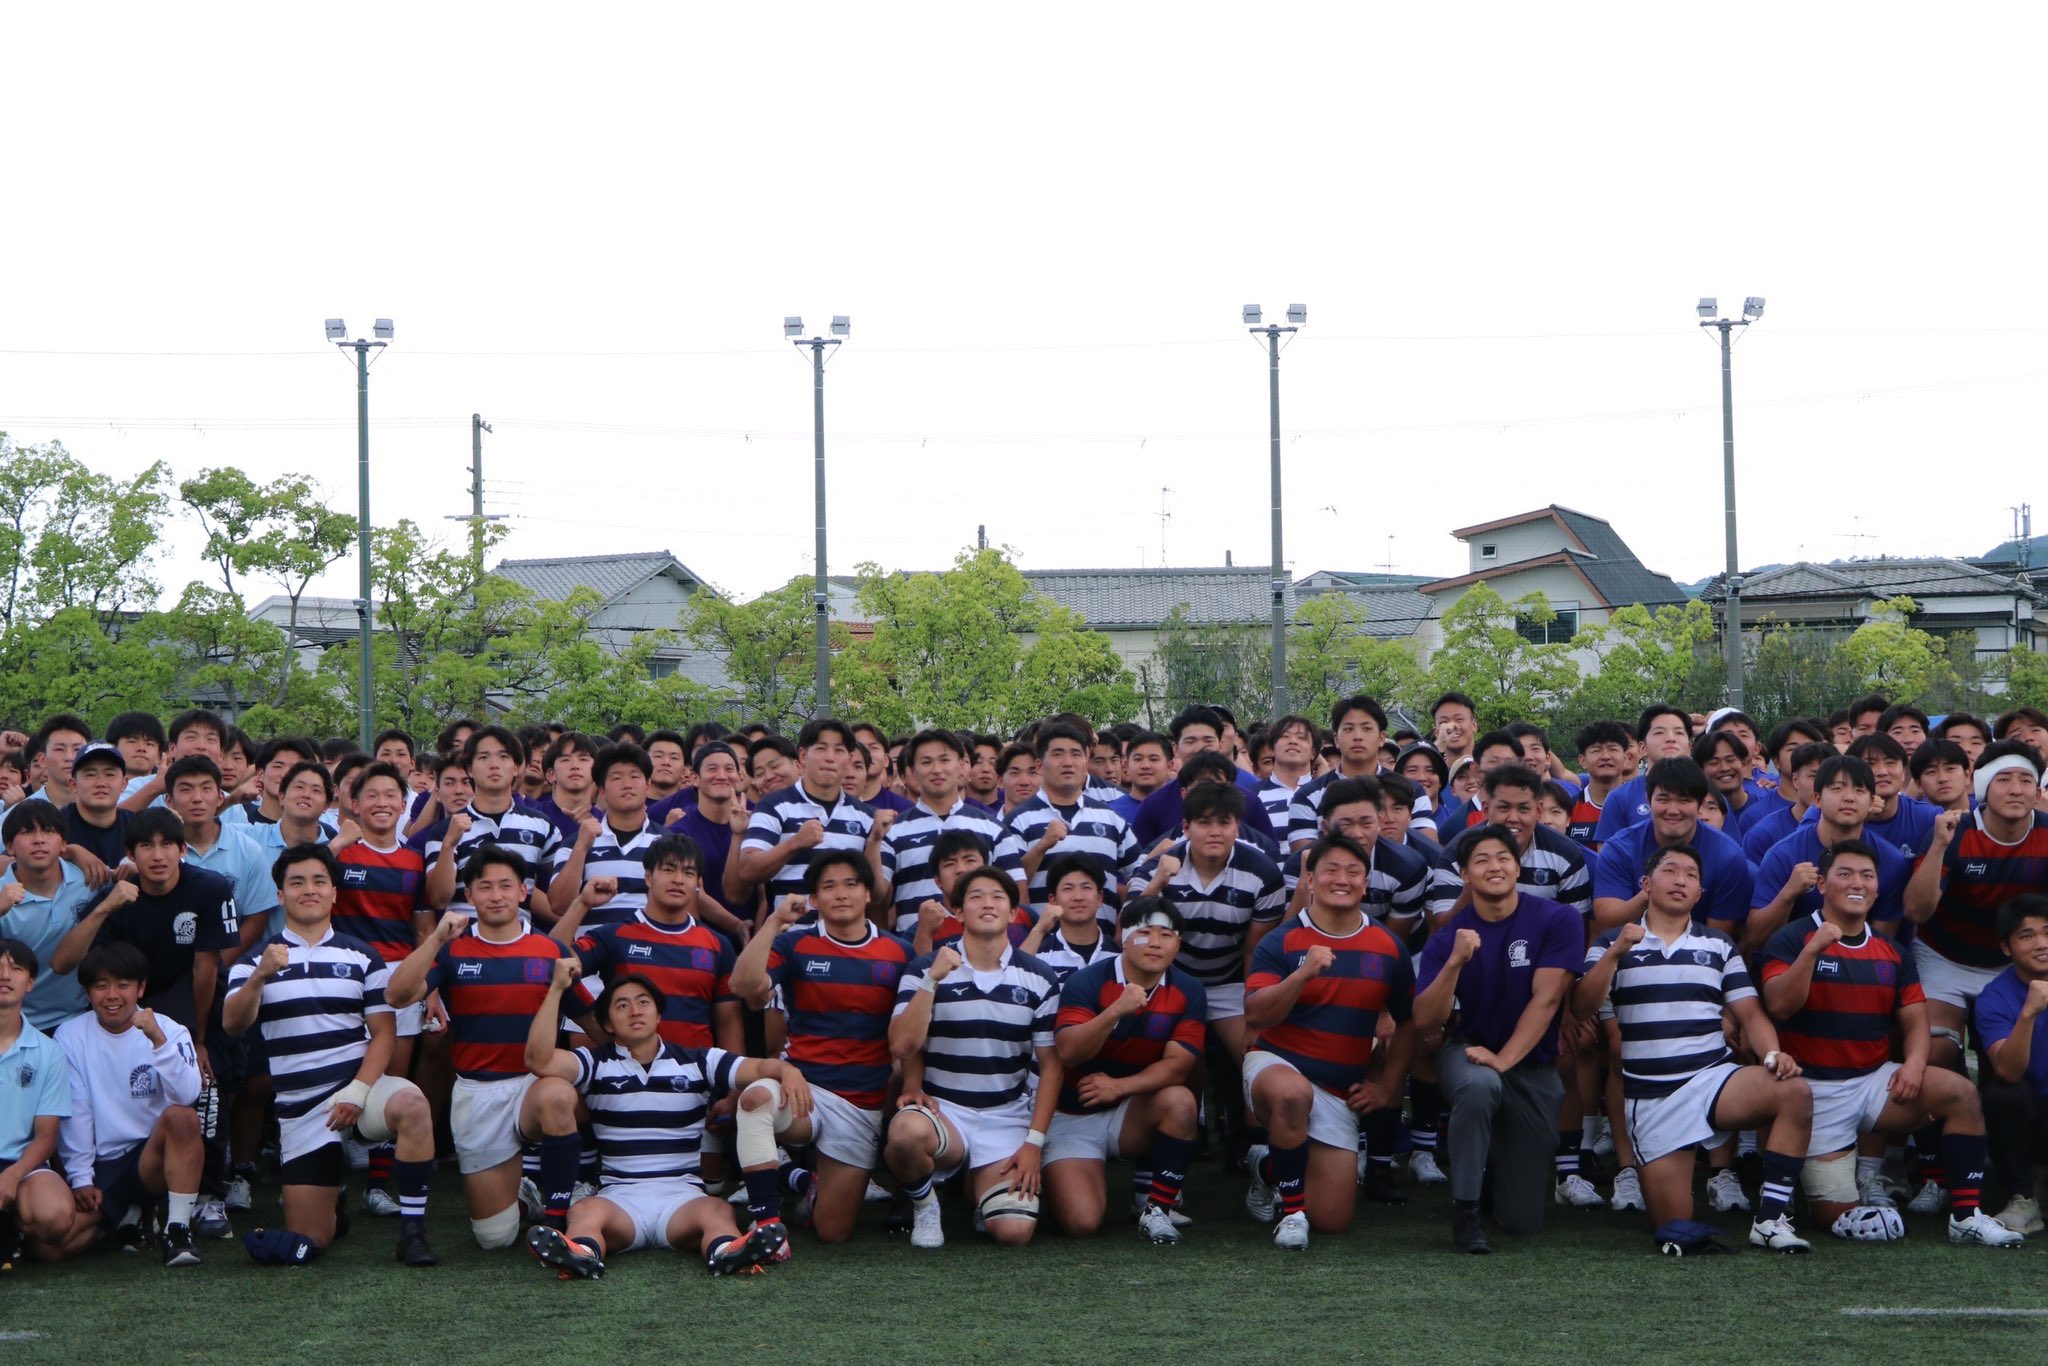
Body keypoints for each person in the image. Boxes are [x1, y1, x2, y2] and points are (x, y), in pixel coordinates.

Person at [1760, 840, 2021, 1246]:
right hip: (1810, 1093)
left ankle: (1966, 1216)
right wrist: (1812, 951)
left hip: (1872, 1083)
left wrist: (1914, 1065)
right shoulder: (1791, 939)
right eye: (1845, 874)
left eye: (1867, 876)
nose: (1857, 883)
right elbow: (1780, 1005)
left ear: (1877, 887)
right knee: (1835, 1217)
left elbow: (1916, 1020)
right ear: (1822, 885)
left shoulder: (1893, 952)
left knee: (1960, 1093)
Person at [1574, 843, 1816, 1253]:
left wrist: (1772, 1054)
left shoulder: (1719, 944)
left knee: (1793, 1090)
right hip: (1653, 1097)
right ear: (1646, 884)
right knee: (1674, 1227)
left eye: (1691, 875)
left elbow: (1750, 1013)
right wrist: (1614, 954)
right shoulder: (1613, 941)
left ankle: (1770, 1220)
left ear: (1700, 892)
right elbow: (1582, 1007)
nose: (1681, 880)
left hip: (1712, 1079)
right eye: (1670, 870)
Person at [222, 843, 437, 1267]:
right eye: (297, 882)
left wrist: (358, 1090)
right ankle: (332, 1208)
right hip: (302, 1109)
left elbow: (384, 1035)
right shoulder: (254, 960)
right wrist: (260, 976)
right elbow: (233, 1024)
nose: (309, 890)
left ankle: (413, 1233)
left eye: (319, 881)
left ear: (334, 892)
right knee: (309, 1242)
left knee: (413, 1104)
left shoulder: (363, 955)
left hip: (361, 1088)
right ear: (280, 895)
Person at [521, 960, 801, 1279]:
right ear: (608, 1024)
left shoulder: (698, 1061)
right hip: (620, 1198)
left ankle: (727, 1253)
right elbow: (538, 1060)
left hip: (682, 1197)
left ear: (658, 1015)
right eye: (622, 1006)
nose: (635, 1011)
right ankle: (580, 1255)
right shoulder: (594, 1063)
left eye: (644, 1003)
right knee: (585, 1211)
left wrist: (787, 1070)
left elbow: (758, 1068)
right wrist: (557, 989)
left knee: (717, 1210)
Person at [384, 847, 585, 1248]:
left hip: (531, 1085)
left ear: (523, 892)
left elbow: (591, 1018)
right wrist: (436, 937)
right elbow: (397, 995)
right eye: (485, 887)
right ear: (470, 895)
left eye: (505, 886)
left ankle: (558, 1223)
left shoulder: (552, 950)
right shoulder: (453, 948)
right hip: (477, 1092)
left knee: (559, 1096)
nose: (496, 895)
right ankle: (524, 1199)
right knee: (495, 1239)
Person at [730, 849, 915, 1243]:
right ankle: (766, 1225)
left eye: (851, 884)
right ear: (814, 899)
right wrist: (775, 922)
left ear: (869, 893)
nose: (841, 893)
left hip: (861, 1102)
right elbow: (742, 985)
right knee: (755, 1099)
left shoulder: (900, 952)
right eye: (829, 886)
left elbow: (911, 1037)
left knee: (833, 1232)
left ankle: (801, 1181)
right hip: (805, 1089)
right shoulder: (794, 943)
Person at [1414, 825, 1583, 1252]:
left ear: (1518, 867)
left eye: (1503, 858)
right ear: (1464, 874)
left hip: (1530, 1064)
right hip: (1467, 1049)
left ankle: (1490, 1176)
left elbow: (1547, 1000)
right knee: (1479, 1085)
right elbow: (1425, 1021)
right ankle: (1466, 1210)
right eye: (1482, 860)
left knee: (1521, 1221)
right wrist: (1455, 963)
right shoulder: (1448, 938)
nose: (1495, 866)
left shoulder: (1557, 918)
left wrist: (1505, 1059)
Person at [1242, 836, 1414, 1251]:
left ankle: (1268, 1168)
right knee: (1292, 1094)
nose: (1342, 879)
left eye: (1353, 872)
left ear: (1366, 883)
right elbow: (1256, 1015)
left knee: (1334, 1220)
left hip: (1339, 1090)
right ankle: (1292, 1214)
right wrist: (1302, 976)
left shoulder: (1388, 946)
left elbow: (1409, 1022)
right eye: (1331, 870)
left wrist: (1386, 1087)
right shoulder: (1282, 940)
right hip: (1277, 1067)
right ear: (1310, 880)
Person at [884, 866, 1063, 1249]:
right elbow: (901, 1046)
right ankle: (925, 1204)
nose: (987, 903)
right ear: (958, 912)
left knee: (1014, 1233)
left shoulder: (1040, 977)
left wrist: (1034, 1143)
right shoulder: (924, 967)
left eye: (998, 897)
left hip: (1006, 1115)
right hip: (944, 1111)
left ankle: (981, 1195)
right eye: (976, 896)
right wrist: (932, 981)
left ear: (1013, 913)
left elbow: (1051, 1066)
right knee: (904, 1135)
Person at [1904, 739, 2048, 1196]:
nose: (2016, 789)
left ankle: (2008, 1171)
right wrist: (1937, 848)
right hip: (1944, 957)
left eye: (2026, 780)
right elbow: (1917, 911)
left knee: (2008, 1066)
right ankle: (1935, 1169)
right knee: (1937, 1053)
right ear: (1983, 786)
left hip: (2012, 965)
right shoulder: (1955, 830)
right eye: (2004, 779)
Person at [1044, 896, 1206, 1244]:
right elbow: (1069, 1051)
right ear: (1124, 937)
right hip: (1072, 1114)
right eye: (1145, 932)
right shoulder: (1086, 981)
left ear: (1178, 944)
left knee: (1180, 1101)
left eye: (1166, 934)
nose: (1155, 942)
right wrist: (1115, 1011)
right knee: (1082, 1223)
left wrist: (1120, 1087)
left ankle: (1156, 1207)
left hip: (1129, 1109)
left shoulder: (1189, 989)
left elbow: (1178, 1066)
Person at [54, 943, 205, 1264]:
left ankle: (177, 1230)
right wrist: (81, 1178)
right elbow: (76, 1112)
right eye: (101, 986)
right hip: (105, 1164)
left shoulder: (170, 1029)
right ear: (88, 992)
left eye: (123, 985)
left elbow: (188, 1096)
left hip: (152, 1157)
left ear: (141, 988)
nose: (112, 995)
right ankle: (128, 1217)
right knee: (50, 1248)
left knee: (182, 1117)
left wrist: (158, 1041)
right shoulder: (69, 1035)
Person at [53, 809, 239, 1070]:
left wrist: (198, 1040)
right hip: (135, 1001)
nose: (158, 856)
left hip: (197, 998)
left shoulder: (209, 887)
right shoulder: (116, 896)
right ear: (130, 854)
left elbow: (204, 970)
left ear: (183, 849)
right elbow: (61, 964)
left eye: (167, 844)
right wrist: (104, 908)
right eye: (146, 846)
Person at [327, 761, 432, 1217]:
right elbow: (299, 877)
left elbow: (423, 929)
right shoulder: (340, 852)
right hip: (344, 971)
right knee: (337, 1069)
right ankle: (326, 1177)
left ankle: (378, 1185)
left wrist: (432, 989)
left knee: (395, 1076)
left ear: (404, 804)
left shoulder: (414, 860)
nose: (382, 803)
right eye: (372, 795)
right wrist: (336, 845)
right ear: (354, 803)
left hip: (400, 977)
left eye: (391, 795)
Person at [1137, 782, 1285, 1067]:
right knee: (1174, 1063)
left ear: (1237, 827)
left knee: (1257, 1059)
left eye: (1224, 822)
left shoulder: (1264, 874)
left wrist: (1252, 1012)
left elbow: (1254, 950)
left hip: (1229, 982)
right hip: (1168, 979)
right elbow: (1128, 931)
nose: (1214, 831)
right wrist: (1157, 883)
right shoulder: (1158, 867)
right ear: (1186, 827)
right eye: (1204, 822)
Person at [1746, 755, 1911, 954]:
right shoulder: (1783, 854)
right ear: (1817, 799)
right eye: (1837, 789)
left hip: (1861, 964)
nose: (1849, 797)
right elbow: (1756, 938)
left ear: (1871, 802)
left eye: (1859, 790)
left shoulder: (1891, 860)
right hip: (1793, 959)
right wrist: (1788, 893)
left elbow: (1883, 944)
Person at [415, 726, 563, 922]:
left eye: (503, 757)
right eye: (484, 757)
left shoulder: (541, 825)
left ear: (517, 768)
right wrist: (449, 844)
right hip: (465, 936)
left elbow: (563, 895)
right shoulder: (445, 830)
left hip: (520, 936)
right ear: (470, 769)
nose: (494, 764)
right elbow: (439, 899)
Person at [1591, 758, 1752, 937]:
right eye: (1663, 799)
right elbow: (1607, 923)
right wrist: (1654, 889)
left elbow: (1718, 938)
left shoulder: (1727, 855)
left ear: (1700, 805)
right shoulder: (1620, 848)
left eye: (1684, 800)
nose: (1673, 810)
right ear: (1648, 800)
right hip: (1630, 947)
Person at [995, 722, 1140, 917]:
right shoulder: (1017, 820)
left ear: (1086, 762)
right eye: (1058, 754)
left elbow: (1139, 876)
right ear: (1039, 765)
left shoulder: (1110, 819)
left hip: (1103, 935)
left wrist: (1126, 917)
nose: (1068, 762)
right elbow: (1004, 886)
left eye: (1076, 754)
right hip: (1041, 935)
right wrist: (1041, 847)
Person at [736, 719, 877, 914]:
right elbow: (747, 869)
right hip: (791, 930)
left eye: (839, 750)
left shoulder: (867, 816)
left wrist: (876, 840)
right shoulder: (773, 806)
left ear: (849, 759)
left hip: (849, 930)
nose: (830, 758)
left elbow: (877, 894)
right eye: (821, 749)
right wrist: (794, 843)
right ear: (803, 756)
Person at [0, 936, 79, 1269]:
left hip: (23, 1165)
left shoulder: (49, 1052)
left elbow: (47, 1136)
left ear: (31, 982)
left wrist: (13, 1175)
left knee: (55, 1216)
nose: (5, 975)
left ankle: (13, 1227)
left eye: (16, 969)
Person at [880, 729, 1007, 934]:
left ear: (962, 765)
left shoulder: (993, 827)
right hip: (913, 944)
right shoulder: (892, 831)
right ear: (912, 770)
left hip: (981, 942)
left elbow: (1014, 893)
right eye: (926, 762)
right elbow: (879, 899)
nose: (937, 770)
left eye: (945, 760)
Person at [1975, 894, 2048, 1235]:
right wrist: (2029, 1012)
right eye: (2027, 936)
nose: (2041, 944)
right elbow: (2008, 1070)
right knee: (2002, 1093)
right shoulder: (1995, 996)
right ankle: (2024, 1197)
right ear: (2006, 948)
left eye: (2047, 932)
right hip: (2034, 1116)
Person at [0, 800, 99, 1031]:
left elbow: (129, 882)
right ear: (10, 846)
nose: (39, 840)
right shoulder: (2, 896)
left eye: (48, 831)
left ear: (64, 843)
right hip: (17, 1023)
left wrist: (131, 869)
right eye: (27, 832)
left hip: (80, 1017)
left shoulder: (90, 880)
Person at [1594, 706, 1697, 842]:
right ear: (1642, 748)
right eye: (1659, 732)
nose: (1671, 738)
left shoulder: (1708, 792)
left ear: (1689, 747)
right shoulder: (1619, 797)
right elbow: (1607, 851)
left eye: (1679, 732)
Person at [1020, 854, 1119, 983]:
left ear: (1100, 898)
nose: (1078, 897)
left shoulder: (1119, 956)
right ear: (1053, 900)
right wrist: (1039, 929)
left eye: (1086, 888)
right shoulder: (1038, 954)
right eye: (1068, 889)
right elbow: (1014, 979)